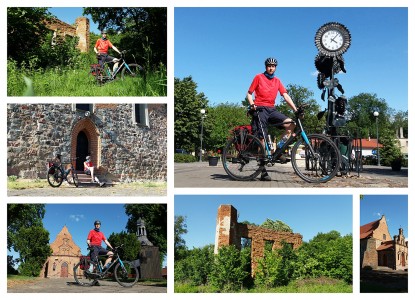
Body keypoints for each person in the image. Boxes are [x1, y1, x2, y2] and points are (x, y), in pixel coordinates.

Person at [246, 57, 298, 181]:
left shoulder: (277, 80)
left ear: (275, 68)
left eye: (273, 66)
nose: (271, 68)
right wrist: (252, 104)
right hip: (260, 109)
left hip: (272, 110)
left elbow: (285, 95)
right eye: (269, 66)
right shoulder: (258, 77)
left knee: (291, 124)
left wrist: (296, 110)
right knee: (262, 139)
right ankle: (263, 171)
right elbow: (249, 93)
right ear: (266, 67)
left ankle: (278, 150)